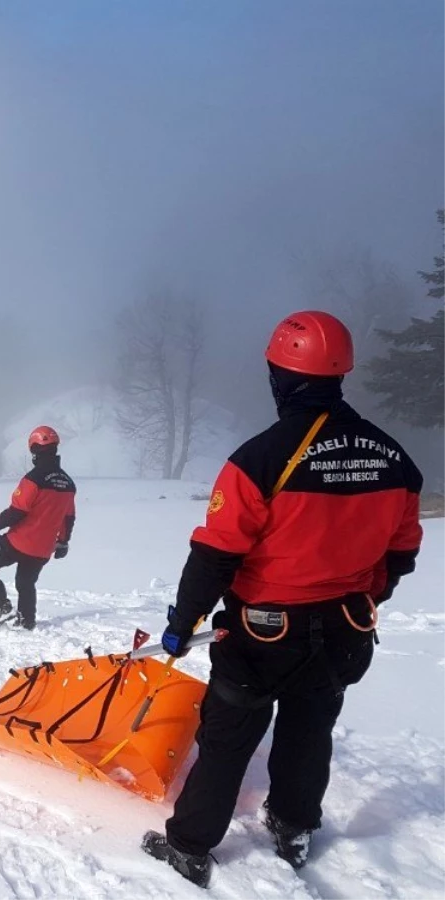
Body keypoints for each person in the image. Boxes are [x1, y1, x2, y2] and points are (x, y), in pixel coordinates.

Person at [142, 311, 423, 888]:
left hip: (262, 632)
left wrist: (183, 620)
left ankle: (191, 846)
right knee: (308, 729)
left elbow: (215, 555)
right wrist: (361, 597)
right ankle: (293, 827)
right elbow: (401, 554)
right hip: (345, 629)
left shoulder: (260, 460)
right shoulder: (395, 459)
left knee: (226, 739)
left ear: (278, 375)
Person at [0, 426, 75, 631]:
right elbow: (68, 517)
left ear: (34, 449)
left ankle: (1, 606)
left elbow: (16, 512)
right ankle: (26, 621)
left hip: (20, 542)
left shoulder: (33, 479)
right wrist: (63, 542)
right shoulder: (68, 484)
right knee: (25, 582)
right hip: (44, 549)